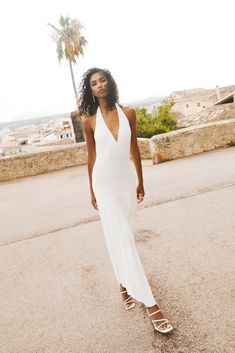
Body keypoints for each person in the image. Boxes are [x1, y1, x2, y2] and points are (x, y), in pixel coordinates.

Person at [79, 67, 174, 335]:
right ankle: (152, 305)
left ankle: (123, 283)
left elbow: (134, 149)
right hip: (104, 184)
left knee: (124, 235)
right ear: (90, 89)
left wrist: (140, 181)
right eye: (93, 83)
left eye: (102, 80)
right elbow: (91, 157)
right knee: (123, 237)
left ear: (110, 83)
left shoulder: (129, 113)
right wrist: (91, 190)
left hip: (124, 182)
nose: (99, 85)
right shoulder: (89, 120)